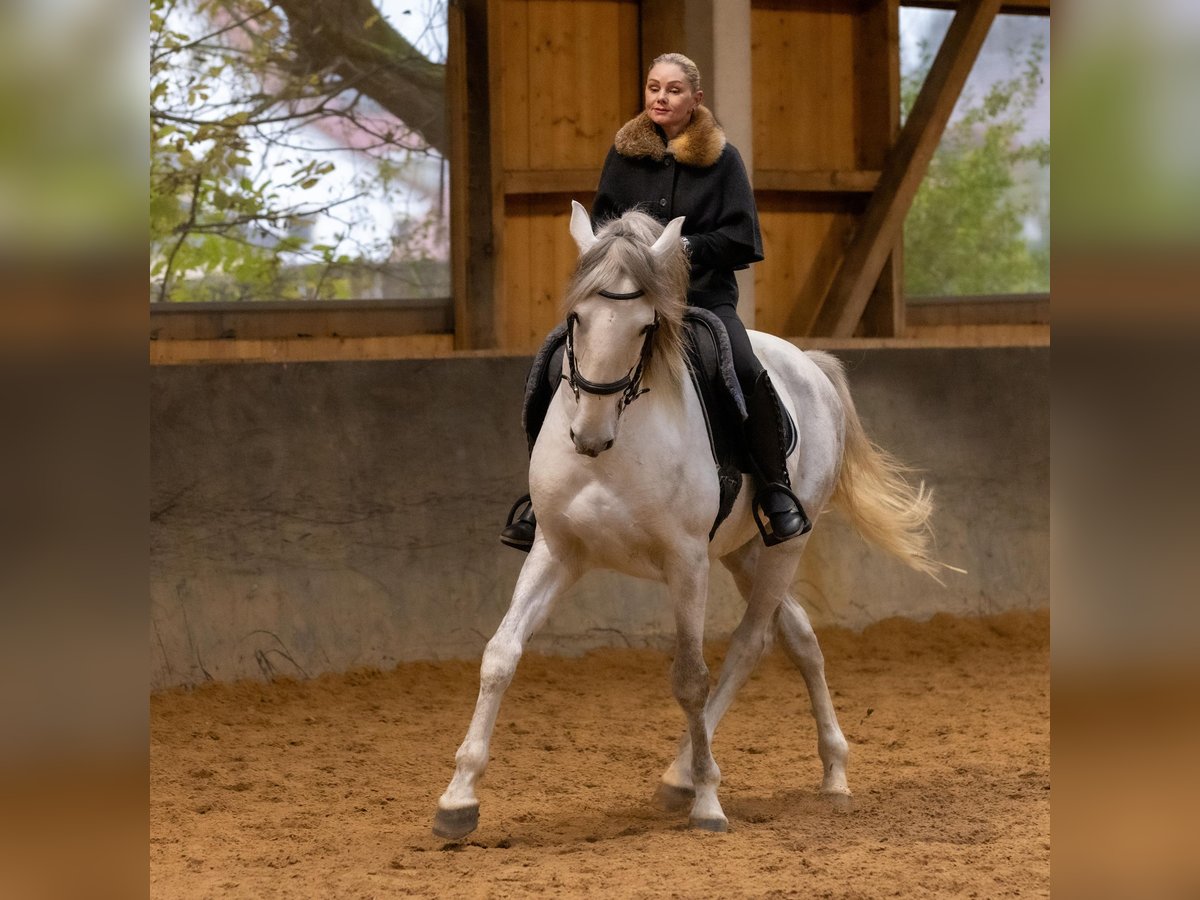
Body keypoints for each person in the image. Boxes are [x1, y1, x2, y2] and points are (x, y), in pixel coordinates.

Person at [501, 52, 809, 550]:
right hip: (628, 302)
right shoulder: (623, 158)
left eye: (673, 90)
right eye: (653, 88)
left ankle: (775, 491)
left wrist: (687, 247)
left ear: (696, 98)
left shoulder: (724, 161)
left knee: (744, 369)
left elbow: (743, 238)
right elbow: (602, 229)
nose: (661, 98)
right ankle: (538, 500)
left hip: (701, 302)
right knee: (552, 360)